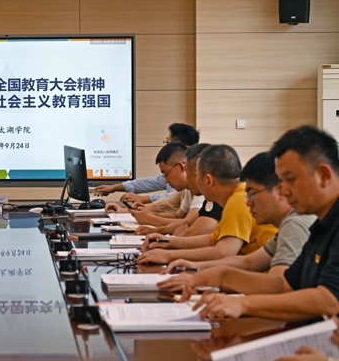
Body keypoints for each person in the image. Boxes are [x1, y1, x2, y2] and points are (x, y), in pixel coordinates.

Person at [183, 126, 339, 323]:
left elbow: (329, 300)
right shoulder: (321, 224)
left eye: (290, 180)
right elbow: (284, 284)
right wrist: (221, 276)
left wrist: (243, 304)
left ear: (323, 175)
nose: (284, 191)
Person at [158, 152, 316, 291]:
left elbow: (278, 286)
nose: (248, 202)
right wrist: (194, 267)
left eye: (252, 194)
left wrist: (213, 278)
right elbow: (249, 262)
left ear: (280, 190)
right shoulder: (287, 223)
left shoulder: (295, 223)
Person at [137, 144, 277, 265]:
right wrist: (167, 241)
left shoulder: (238, 200)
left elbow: (223, 252)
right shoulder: (232, 198)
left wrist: (169, 255)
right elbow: (212, 240)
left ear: (208, 180)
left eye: (197, 175)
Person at [94, 122, 200, 204]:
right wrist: (114, 187)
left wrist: (144, 199)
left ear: (178, 147)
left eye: (167, 143)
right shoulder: (173, 173)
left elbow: (173, 198)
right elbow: (148, 183)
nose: (166, 180)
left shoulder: (197, 178)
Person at [135, 143, 223, 236]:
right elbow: (189, 223)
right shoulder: (211, 199)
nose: (187, 179)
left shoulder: (219, 199)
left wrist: (181, 237)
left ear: (208, 178)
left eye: (188, 174)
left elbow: (195, 232)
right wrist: (156, 230)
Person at [113, 142, 204, 228]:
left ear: (182, 167)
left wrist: (150, 219)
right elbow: (177, 216)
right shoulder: (188, 190)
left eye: (166, 174)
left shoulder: (201, 191)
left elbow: (188, 223)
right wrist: (147, 214)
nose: (166, 181)